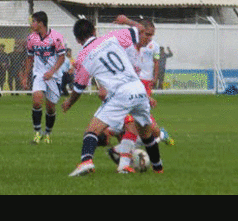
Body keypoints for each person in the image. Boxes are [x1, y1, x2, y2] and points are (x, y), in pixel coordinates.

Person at [63, 19, 163, 176]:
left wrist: (69, 102)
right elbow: (139, 29)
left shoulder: (82, 57)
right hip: (138, 89)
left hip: (120, 93)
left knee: (92, 130)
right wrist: (126, 21)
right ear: (94, 31)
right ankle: (159, 169)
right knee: (146, 133)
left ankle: (86, 161)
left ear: (77, 39)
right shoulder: (112, 37)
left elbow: (79, 88)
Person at [22, 11, 66, 144]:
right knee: (36, 100)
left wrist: (52, 72)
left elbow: (62, 57)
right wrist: (25, 76)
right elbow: (30, 58)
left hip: (54, 76)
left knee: (51, 107)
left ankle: (47, 133)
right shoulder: (31, 38)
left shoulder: (56, 37)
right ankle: (37, 133)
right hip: (39, 74)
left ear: (41, 23)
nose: (31, 24)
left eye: (34, 21)